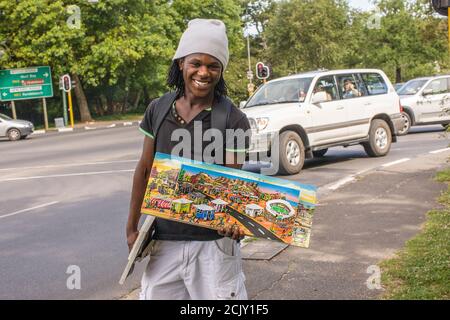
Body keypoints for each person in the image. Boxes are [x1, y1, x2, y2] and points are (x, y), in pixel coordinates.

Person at [126, 19, 250, 300]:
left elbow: (234, 184)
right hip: (164, 241)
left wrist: (235, 219)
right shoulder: (157, 109)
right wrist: (131, 227)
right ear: (181, 62)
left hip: (213, 247)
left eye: (213, 65)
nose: (204, 72)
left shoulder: (234, 119)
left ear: (221, 70)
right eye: (196, 63)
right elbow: (144, 171)